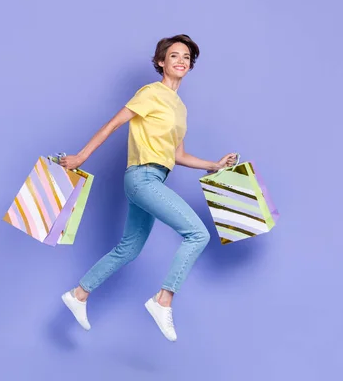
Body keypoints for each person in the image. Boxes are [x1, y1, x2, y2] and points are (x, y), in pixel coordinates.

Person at [59, 34, 237, 342]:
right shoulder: (150, 93)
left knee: (129, 248)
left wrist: (215, 166)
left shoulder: (179, 108)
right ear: (161, 62)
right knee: (198, 234)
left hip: (154, 179)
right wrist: (80, 157)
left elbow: (177, 155)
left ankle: (79, 294)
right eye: (174, 56)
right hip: (141, 177)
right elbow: (113, 124)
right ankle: (163, 300)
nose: (181, 60)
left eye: (186, 57)